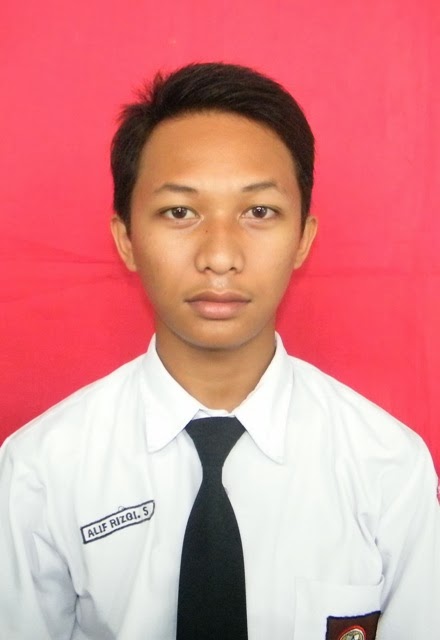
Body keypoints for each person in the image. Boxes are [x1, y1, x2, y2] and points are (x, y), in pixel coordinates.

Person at [0, 62, 439, 640]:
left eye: (259, 212)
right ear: (126, 240)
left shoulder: (388, 467)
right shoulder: (40, 470)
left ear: (303, 238)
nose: (220, 257)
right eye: (179, 212)